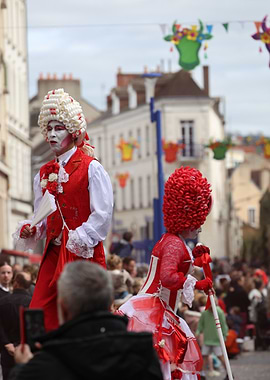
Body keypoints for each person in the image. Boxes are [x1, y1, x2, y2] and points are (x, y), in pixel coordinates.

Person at [12, 88, 113, 331]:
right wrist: (32, 229)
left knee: (82, 318)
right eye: (49, 129)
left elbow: (103, 215)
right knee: (38, 314)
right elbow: (43, 217)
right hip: (54, 255)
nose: (52, 135)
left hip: (82, 255)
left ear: (73, 131)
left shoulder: (91, 169)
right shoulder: (44, 173)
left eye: (59, 128)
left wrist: (78, 237)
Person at [119, 166, 213, 380]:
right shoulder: (173, 243)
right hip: (155, 311)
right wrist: (197, 284)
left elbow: (174, 269)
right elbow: (168, 277)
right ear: (187, 214)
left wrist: (196, 264)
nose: (200, 225)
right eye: (198, 218)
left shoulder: (172, 241)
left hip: (158, 310)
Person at [10, 261, 163, 380]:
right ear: (110, 301)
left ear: (62, 307)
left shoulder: (43, 366)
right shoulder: (142, 353)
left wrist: (23, 368)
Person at [0, 272, 32, 380]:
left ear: (16, 283)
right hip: (26, 350)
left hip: (7, 351)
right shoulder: (33, 303)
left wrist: (7, 343)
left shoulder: (3, 301)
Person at [196, 297, 228, 379]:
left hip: (216, 339)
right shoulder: (204, 312)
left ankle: (228, 372)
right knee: (204, 356)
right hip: (207, 339)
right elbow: (200, 324)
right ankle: (202, 374)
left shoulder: (219, 312)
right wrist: (198, 332)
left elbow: (223, 325)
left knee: (220, 356)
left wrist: (224, 336)